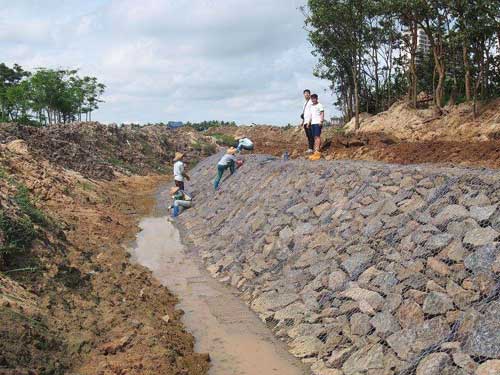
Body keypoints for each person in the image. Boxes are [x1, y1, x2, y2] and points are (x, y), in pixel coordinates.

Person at [307, 94, 325, 161]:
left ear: (317, 98)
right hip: (312, 123)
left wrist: (321, 121)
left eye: (314, 98)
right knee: (314, 137)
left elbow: (322, 113)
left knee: (317, 136)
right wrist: (309, 122)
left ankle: (317, 150)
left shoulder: (320, 105)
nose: (313, 100)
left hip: (318, 123)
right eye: (312, 98)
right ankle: (316, 149)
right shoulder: (311, 106)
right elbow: (311, 115)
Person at [301, 89, 314, 154]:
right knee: (308, 136)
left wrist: (309, 121)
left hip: (310, 121)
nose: (306, 95)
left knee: (311, 135)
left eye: (307, 93)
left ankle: (311, 149)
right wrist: (302, 122)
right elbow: (304, 113)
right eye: (305, 94)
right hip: (305, 122)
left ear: (309, 94)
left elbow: (312, 112)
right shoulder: (304, 103)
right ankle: (310, 148)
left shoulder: (311, 101)